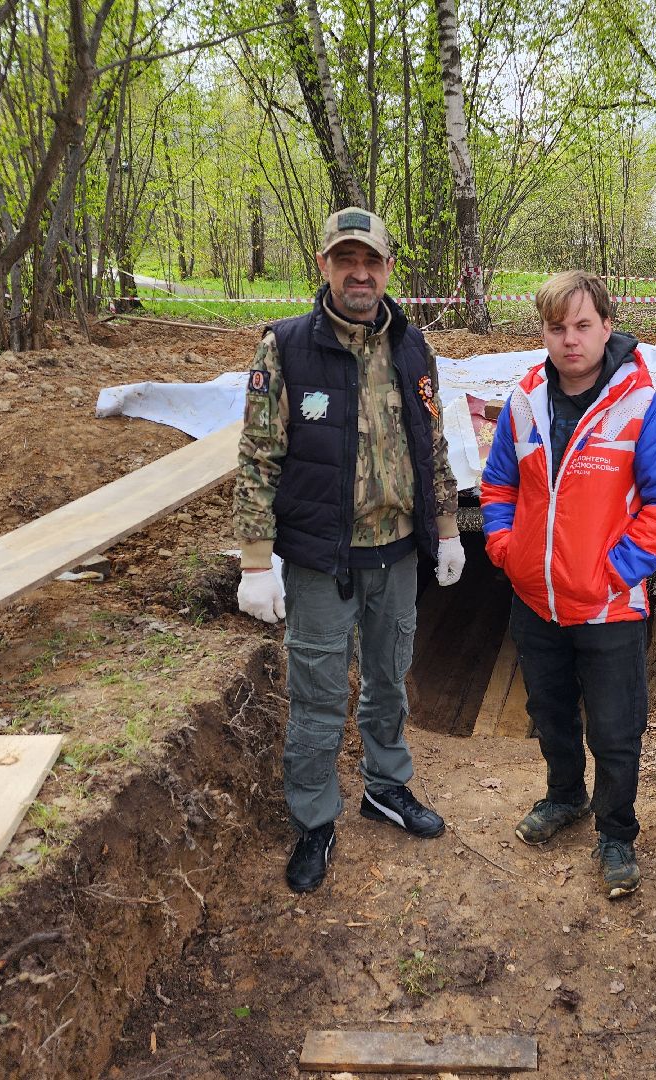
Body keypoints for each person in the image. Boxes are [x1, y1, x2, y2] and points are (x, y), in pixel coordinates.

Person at [233, 207, 465, 894]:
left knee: (390, 681)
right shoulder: (287, 348)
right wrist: (254, 561)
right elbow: (256, 459)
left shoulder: (413, 349)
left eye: (371, 261)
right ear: (325, 265)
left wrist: (447, 530)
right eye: (345, 260)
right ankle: (314, 818)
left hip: (395, 555)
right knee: (318, 696)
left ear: (389, 268)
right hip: (320, 561)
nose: (359, 273)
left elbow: (434, 447)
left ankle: (386, 789)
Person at [480, 270, 656, 899]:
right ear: (543, 333)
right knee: (549, 713)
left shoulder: (642, 408)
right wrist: (506, 550)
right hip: (535, 602)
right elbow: (498, 487)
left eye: (582, 325)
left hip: (608, 607)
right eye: (556, 328)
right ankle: (565, 797)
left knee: (615, 728)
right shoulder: (522, 407)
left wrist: (614, 572)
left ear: (606, 325)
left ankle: (617, 832)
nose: (570, 340)